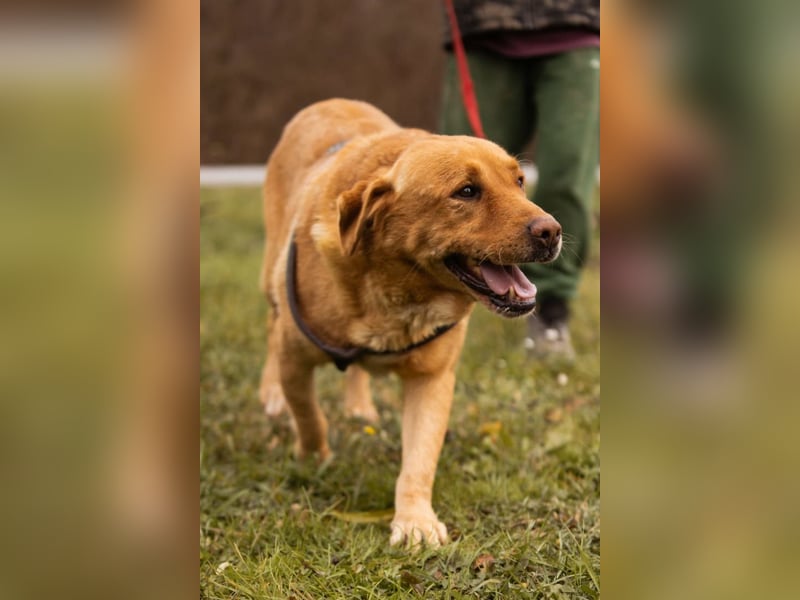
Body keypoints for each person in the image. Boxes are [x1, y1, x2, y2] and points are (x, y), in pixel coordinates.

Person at [439, 0, 599, 361]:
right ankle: (443, 318)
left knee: (567, 175)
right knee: (457, 179)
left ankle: (551, 313)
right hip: (482, 25)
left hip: (579, 22)